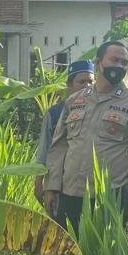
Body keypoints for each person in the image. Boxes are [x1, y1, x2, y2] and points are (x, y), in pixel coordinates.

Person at [43, 40, 128, 234]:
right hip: (72, 193)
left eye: (123, 62)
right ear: (98, 62)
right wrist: (51, 186)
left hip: (111, 197)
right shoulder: (75, 100)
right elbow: (59, 146)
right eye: (114, 60)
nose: (119, 66)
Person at [35, 60, 94, 206]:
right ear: (69, 85)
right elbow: (45, 150)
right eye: (81, 82)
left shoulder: (99, 110)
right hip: (61, 183)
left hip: (93, 184)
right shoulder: (54, 113)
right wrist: (40, 183)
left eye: (91, 82)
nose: (87, 85)